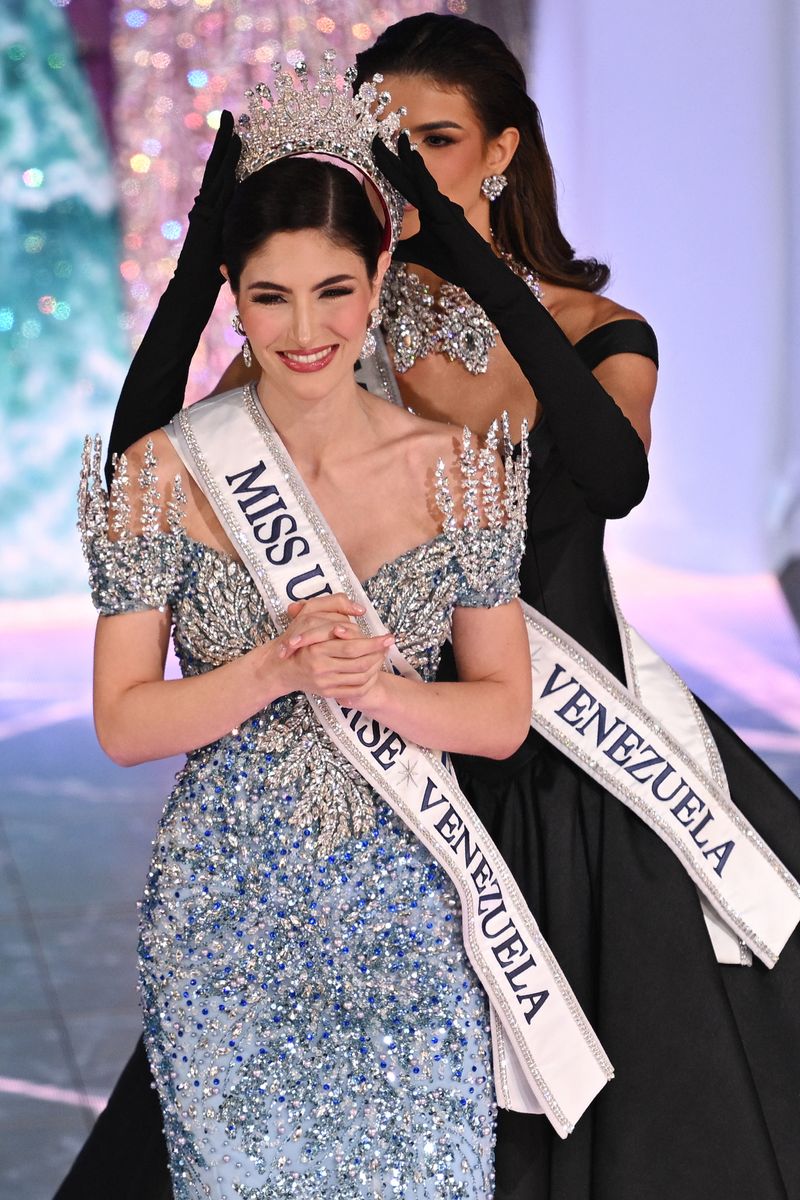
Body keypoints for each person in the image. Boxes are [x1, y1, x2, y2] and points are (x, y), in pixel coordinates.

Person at [58, 14, 800, 1200]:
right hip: (361, 790)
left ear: (497, 153)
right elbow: (158, 453)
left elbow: (607, 476)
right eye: (383, 146)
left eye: (431, 144)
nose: (400, 169)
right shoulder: (340, 316)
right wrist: (214, 248)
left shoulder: (582, 331)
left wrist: (449, 234)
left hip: (562, 755)